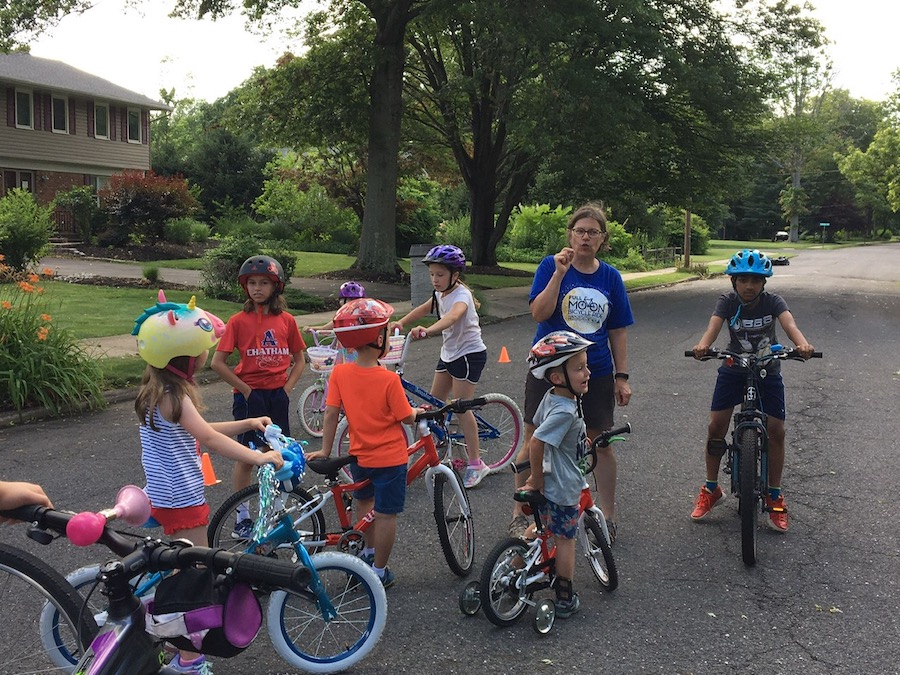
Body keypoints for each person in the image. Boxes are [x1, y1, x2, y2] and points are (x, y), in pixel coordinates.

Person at [132, 291, 284, 675]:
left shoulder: (156, 392)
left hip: (163, 494)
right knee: (196, 578)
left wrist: (248, 424)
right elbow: (212, 441)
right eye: (198, 352)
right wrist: (259, 456)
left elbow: (199, 432)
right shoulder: (176, 397)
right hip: (182, 497)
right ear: (183, 358)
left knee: (178, 566)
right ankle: (188, 658)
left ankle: (163, 632)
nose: (203, 358)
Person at [510, 203, 633, 543]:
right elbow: (539, 312)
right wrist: (559, 274)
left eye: (593, 232)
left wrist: (622, 376)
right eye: (580, 231)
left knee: (600, 442)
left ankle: (606, 516)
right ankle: (521, 515)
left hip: (594, 371)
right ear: (570, 234)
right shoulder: (551, 266)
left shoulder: (610, 277)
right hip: (549, 368)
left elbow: (618, 329)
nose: (585, 237)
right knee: (534, 438)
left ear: (602, 238)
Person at [689, 249, 815, 532]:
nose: (749, 286)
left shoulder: (773, 302)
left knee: (777, 430)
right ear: (734, 281)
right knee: (715, 426)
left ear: (764, 283)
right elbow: (713, 327)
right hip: (734, 367)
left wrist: (802, 344)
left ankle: (774, 495)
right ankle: (711, 489)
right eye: (743, 280)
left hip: (767, 368)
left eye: (755, 281)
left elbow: (789, 323)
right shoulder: (728, 301)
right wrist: (703, 346)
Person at [305, 298, 424, 588]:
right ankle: (380, 571)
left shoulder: (341, 373)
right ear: (379, 338)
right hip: (390, 459)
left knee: (364, 502)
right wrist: (416, 412)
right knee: (385, 514)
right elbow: (406, 418)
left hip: (359, 457)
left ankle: (366, 555)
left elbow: (331, 413)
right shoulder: (388, 380)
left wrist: (325, 448)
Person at [210, 255, 305, 539]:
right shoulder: (238, 321)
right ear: (245, 287)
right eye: (252, 283)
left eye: (264, 283)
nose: (257, 288)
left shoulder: (286, 321)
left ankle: (275, 514)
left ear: (276, 286)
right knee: (248, 457)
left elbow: (299, 359)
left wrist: (287, 389)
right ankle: (242, 517)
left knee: (278, 455)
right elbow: (218, 362)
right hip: (250, 397)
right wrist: (247, 390)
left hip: (277, 395)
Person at [389, 244, 491, 489]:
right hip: (449, 354)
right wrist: (401, 322)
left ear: (455, 275)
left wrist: (429, 330)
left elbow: (452, 317)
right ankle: (444, 451)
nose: (435, 279)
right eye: (432, 274)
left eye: (440, 274)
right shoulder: (440, 293)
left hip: (469, 355)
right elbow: (425, 308)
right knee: (436, 403)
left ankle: (476, 463)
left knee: (460, 407)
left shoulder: (461, 296)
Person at [520, 331, 594, 618]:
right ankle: (564, 596)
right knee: (566, 539)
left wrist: (577, 440)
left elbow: (543, 426)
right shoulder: (565, 410)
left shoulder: (554, 398)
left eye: (586, 366)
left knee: (540, 529)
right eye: (579, 368)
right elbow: (538, 440)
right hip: (561, 487)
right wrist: (535, 479)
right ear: (557, 377)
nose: (587, 372)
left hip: (552, 479)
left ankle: (514, 564)